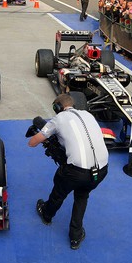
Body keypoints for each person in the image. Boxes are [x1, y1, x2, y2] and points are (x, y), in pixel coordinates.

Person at [28, 94, 109, 250]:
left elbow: (33, 142)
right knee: (82, 195)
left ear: (57, 108)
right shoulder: (88, 115)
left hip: (75, 172)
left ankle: (47, 214)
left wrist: (46, 137)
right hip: (101, 170)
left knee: (60, 190)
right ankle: (75, 236)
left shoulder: (58, 120)